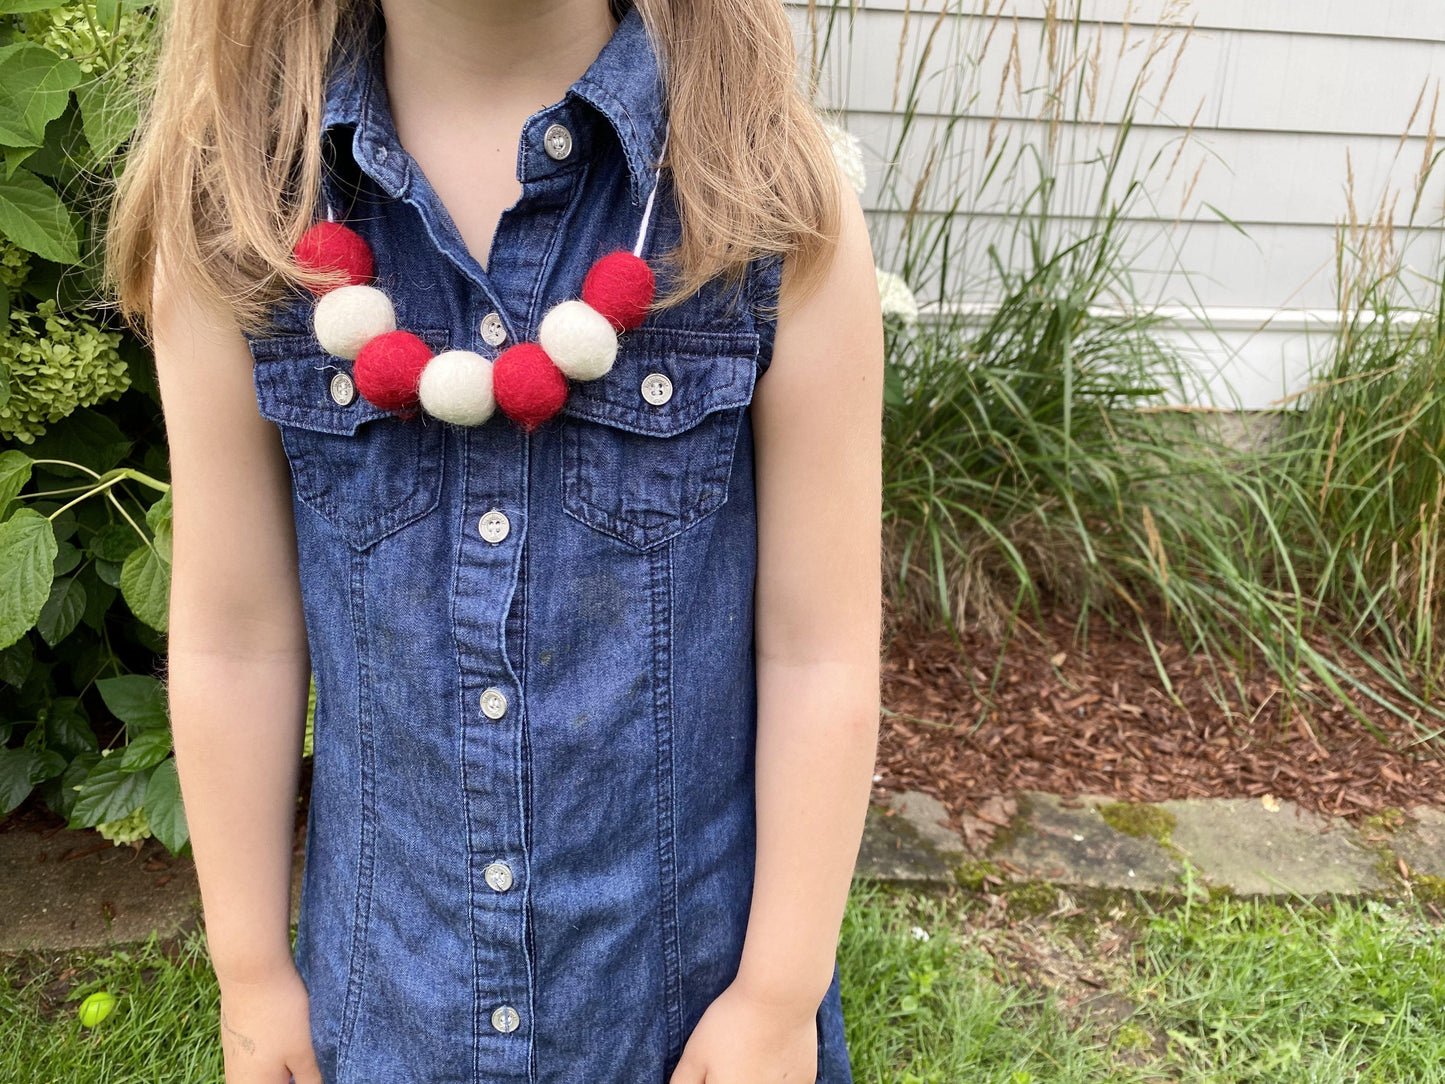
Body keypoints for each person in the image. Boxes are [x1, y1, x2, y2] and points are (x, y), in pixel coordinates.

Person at [104, 0, 883, 1080]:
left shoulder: (760, 205)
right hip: (385, 1021)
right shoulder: (241, 220)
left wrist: (777, 991)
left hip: (686, 1025)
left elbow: (819, 649)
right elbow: (235, 637)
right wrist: (251, 971)